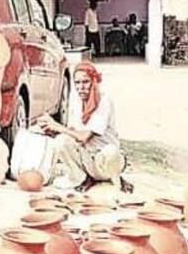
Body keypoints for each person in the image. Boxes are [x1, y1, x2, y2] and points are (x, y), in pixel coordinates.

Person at [37, 62, 133, 193]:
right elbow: (72, 133)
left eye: (85, 82)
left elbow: (84, 137)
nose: (81, 87)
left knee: (111, 151)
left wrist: (56, 125)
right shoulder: (76, 102)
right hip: (87, 160)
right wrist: (51, 130)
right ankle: (79, 177)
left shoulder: (104, 101)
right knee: (61, 140)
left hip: (105, 162)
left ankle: (114, 179)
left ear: (94, 81)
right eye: (77, 83)